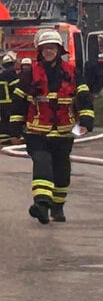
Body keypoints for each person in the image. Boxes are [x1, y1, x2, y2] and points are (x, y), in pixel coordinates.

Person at [11, 30, 94, 224]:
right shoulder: (30, 73)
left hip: (64, 131)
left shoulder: (72, 72)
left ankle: (57, 207)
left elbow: (83, 96)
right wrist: (14, 128)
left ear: (59, 50)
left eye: (52, 48)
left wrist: (87, 120)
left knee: (62, 170)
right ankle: (41, 205)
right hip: (37, 131)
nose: (49, 51)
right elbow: (18, 101)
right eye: (45, 48)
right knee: (42, 162)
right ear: (40, 51)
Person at [0, 51, 20, 145]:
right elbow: (15, 87)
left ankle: (4, 138)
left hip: (3, 102)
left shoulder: (2, 75)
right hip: (10, 101)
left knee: (4, 120)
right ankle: (13, 137)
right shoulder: (12, 74)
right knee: (12, 120)